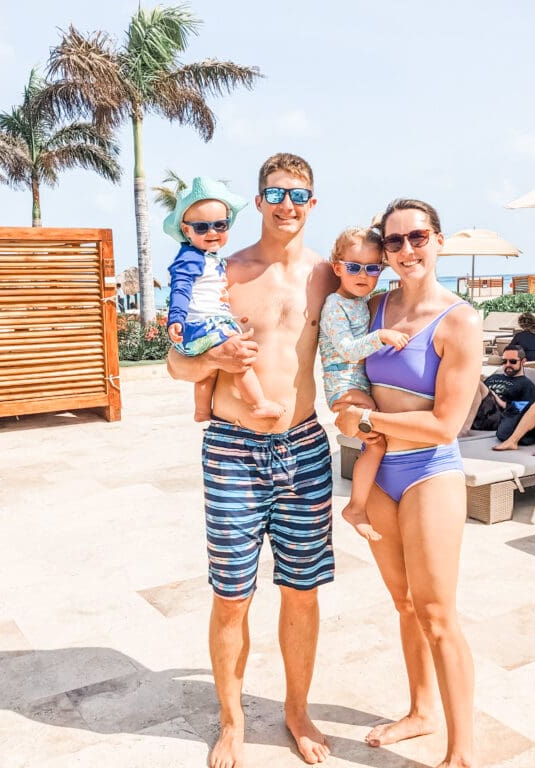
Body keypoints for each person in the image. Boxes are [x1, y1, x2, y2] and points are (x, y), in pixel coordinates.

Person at [166, 153, 338, 768]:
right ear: (259, 200)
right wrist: (217, 362)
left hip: (305, 446)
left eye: (300, 194)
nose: (287, 204)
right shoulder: (223, 270)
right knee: (232, 594)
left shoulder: (328, 274)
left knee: (302, 592)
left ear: (313, 203)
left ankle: (295, 711)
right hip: (234, 450)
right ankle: (232, 722)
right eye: (276, 192)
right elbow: (177, 362)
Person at [334, 199, 482, 768]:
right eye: (392, 242)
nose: (405, 251)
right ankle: (421, 712)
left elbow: (446, 422)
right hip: (380, 475)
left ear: (439, 239)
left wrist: (367, 420)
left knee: (438, 612)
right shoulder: (372, 306)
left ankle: (461, 752)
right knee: (404, 604)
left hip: (428, 472)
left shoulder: (460, 319)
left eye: (416, 237)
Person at [164, 176, 285, 422]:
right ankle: (258, 403)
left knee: (207, 375)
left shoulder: (210, 259)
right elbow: (180, 289)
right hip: (205, 324)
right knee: (240, 358)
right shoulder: (190, 257)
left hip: (199, 326)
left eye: (220, 225)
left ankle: (201, 411)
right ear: (186, 230)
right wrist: (175, 317)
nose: (212, 232)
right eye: (201, 227)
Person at [320, 226, 408, 542]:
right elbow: (347, 348)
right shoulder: (334, 304)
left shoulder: (363, 301)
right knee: (372, 433)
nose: (363, 274)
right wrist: (381, 336)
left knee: (376, 443)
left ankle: (358, 504)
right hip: (344, 386)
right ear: (338, 268)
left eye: (373, 268)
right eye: (354, 267)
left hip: (356, 385)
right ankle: (356, 505)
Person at [473, 346, 535, 442]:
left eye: (513, 361)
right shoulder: (494, 376)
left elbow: (528, 410)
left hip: (497, 417)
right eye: (504, 361)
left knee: (475, 382)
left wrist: (499, 400)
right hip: (477, 410)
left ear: (523, 361)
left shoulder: (527, 385)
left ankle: (463, 430)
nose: (507, 364)